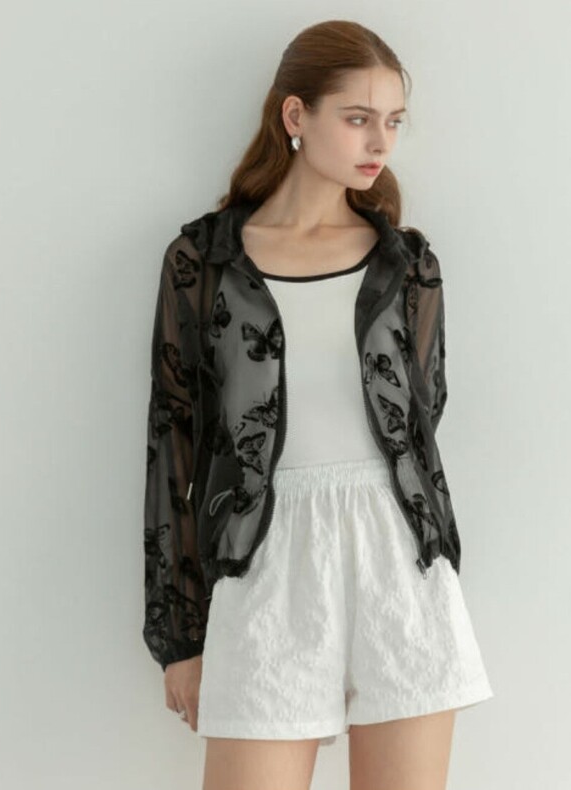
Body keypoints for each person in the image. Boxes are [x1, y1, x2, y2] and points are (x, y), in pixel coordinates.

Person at [143, 19, 494, 790]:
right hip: (261, 558)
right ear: (295, 115)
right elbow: (173, 441)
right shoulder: (204, 261)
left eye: (393, 120)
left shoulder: (407, 265)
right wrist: (180, 635)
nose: (380, 141)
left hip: (399, 563)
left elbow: (422, 422)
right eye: (358, 117)